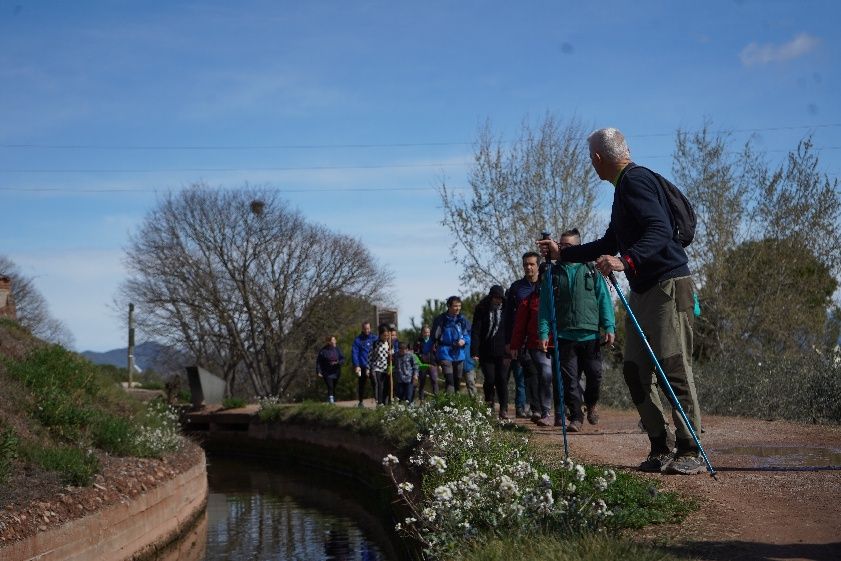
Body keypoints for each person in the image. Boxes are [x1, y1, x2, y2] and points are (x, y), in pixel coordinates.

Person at [537, 127, 703, 475]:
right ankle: (661, 446)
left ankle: (690, 450)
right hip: (645, 289)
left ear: (598, 159)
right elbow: (610, 241)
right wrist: (564, 254)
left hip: (667, 286)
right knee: (634, 371)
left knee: (672, 368)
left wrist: (626, 262)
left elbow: (658, 229)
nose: (591, 164)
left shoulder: (635, 181)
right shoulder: (623, 188)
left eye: (590, 159)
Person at [538, 228, 615, 433]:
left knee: (595, 375)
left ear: (580, 247)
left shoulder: (592, 270)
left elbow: (604, 299)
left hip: (590, 333)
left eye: (568, 247)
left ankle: (591, 404)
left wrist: (609, 326)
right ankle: (576, 417)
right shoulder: (552, 273)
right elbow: (545, 306)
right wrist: (544, 332)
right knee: (569, 380)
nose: (563, 249)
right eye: (561, 245)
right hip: (564, 334)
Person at [510, 266, 554, 426]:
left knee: (561, 377)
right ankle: (544, 411)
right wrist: (515, 345)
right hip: (536, 345)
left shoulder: (561, 295)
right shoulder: (530, 299)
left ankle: (565, 411)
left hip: (561, 343)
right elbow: (520, 324)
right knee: (544, 375)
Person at [504, 252, 541, 418]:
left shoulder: (547, 284)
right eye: (526, 264)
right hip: (525, 340)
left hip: (547, 338)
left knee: (546, 375)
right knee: (530, 373)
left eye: (532, 264)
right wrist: (510, 341)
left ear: (538, 265)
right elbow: (508, 317)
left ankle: (550, 409)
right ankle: (536, 409)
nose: (528, 267)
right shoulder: (516, 288)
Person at [470, 285, 510, 418]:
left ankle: (503, 408)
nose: (498, 301)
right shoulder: (481, 309)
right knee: (490, 379)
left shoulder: (507, 309)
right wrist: (474, 351)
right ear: (491, 297)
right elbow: (476, 331)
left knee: (502, 380)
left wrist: (511, 348)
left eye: (500, 298)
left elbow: (511, 329)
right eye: (496, 298)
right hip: (486, 351)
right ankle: (489, 405)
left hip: (503, 351)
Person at [431, 296, 471, 393]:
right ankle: (449, 404)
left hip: (459, 354)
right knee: (450, 380)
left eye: (459, 306)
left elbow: (468, 335)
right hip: (445, 353)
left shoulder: (462, 320)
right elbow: (433, 337)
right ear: (449, 306)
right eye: (455, 306)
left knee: (457, 381)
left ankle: (455, 403)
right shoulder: (441, 320)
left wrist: (464, 341)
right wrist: (426, 352)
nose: (458, 308)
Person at [351, 322, 378, 408]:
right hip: (362, 365)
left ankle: (377, 400)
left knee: (375, 382)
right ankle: (361, 401)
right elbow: (355, 353)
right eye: (365, 329)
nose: (367, 330)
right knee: (362, 384)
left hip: (373, 365)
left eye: (368, 328)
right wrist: (357, 365)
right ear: (362, 329)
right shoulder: (358, 340)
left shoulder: (375, 338)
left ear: (370, 328)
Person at [315, 335, 344, 404]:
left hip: (336, 371)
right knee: (330, 386)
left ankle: (330, 399)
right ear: (328, 342)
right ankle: (331, 400)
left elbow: (342, 358)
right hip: (327, 372)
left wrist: (338, 363)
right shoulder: (323, 351)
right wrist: (318, 371)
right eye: (333, 340)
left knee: (333, 386)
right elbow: (319, 362)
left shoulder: (337, 349)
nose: (334, 342)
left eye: (335, 340)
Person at [370, 324, 393, 406]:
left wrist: (391, 353)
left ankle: (385, 402)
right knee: (380, 385)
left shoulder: (390, 344)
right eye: (384, 335)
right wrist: (369, 368)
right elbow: (370, 356)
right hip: (377, 368)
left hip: (386, 368)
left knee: (387, 386)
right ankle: (379, 403)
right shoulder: (375, 344)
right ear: (380, 335)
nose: (386, 337)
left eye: (387, 335)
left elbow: (393, 356)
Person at [414, 325, 439, 401]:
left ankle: (437, 398)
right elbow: (416, 353)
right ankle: (421, 399)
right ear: (422, 333)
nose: (426, 334)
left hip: (432, 364)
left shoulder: (433, 342)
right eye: (425, 332)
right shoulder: (418, 342)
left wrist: (438, 364)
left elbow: (437, 353)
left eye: (428, 332)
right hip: (422, 364)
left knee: (434, 381)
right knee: (422, 382)